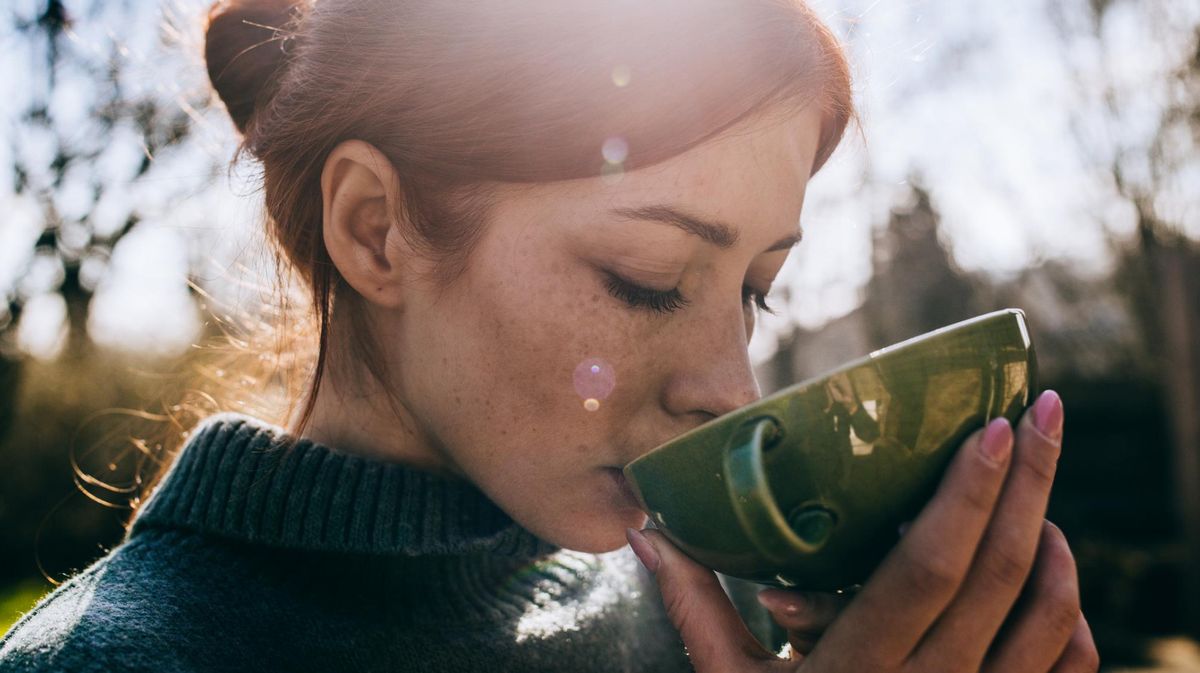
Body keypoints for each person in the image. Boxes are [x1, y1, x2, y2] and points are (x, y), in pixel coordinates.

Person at [0, 0, 1099, 671]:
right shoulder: (106, 663)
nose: (732, 386)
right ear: (374, 230)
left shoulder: (716, 627)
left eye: (756, 290)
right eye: (648, 278)